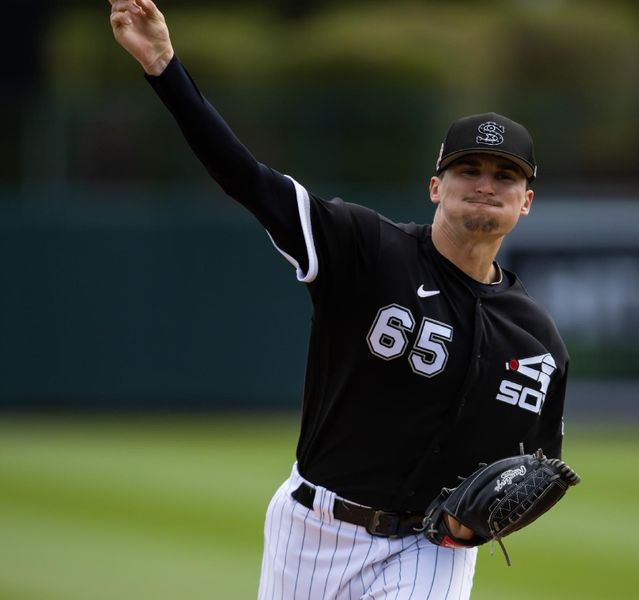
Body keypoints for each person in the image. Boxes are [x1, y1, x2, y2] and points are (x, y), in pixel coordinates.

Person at [109, 1, 570, 598]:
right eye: (468, 170)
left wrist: (474, 528)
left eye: (505, 176)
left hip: (426, 552)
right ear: (436, 187)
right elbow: (247, 178)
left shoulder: (537, 342)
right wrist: (165, 68)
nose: (485, 184)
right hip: (311, 529)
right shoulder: (364, 247)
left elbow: (537, 472)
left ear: (526, 200)